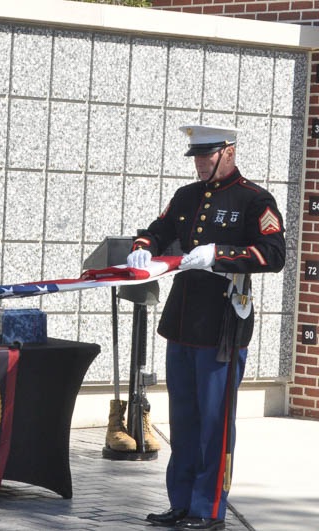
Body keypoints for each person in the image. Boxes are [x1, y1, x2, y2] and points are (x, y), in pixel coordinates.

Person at [127, 125, 285, 531]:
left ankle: (209, 509)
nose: (199, 163)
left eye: (206, 156)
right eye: (196, 156)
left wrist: (220, 254)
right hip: (182, 321)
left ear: (228, 152)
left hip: (221, 326)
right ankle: (181, 503)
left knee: (214, 425)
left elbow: (273, 254)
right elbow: (157, 231)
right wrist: (142, 248)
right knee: (183, 422)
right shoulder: (187, 196)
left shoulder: (254, 200)